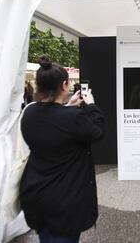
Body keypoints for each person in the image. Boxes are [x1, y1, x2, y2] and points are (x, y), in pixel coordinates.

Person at [19, 55, 104, 243]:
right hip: (65, 200)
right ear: (65, 85)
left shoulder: (29, 113)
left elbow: (53, 119)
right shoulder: (71, 119)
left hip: (36, 195)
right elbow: (96, 132)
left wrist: (68, 106)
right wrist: (91, 105)